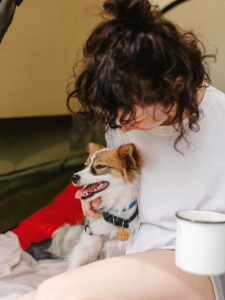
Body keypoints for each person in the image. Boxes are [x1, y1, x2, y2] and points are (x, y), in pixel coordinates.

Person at [18, 0, 225, 299]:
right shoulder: (120, 124)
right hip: (132, 247)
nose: (121, 126)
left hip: (199, 262)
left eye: (131, 114)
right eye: (113, 114)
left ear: (176, 87)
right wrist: (102, 198)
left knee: (56, 293)